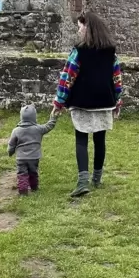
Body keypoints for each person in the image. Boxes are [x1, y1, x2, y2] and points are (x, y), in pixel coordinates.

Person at [52, 11, 123, 197]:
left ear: (87, 27)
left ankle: (83, 181)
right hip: (104, 101)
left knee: (81, 140)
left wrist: (59, 101)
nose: (79, 31)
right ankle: (97, 179)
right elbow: (117, 78)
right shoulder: (110, 52)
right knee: (100, 141)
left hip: (82, 101)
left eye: (80, 27)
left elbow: (67, 77)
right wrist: (118, 100)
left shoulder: (79, 52)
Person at [7, 104, 58, 196]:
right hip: (34, 157)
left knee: (22, 174)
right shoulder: (38, 129)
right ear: (34, 117)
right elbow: (49, 126)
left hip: (21, 158)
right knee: (33, 173)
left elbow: (11, 144)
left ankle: (23, 191)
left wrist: (10, 152)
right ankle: (34, 187)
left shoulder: (16, 130)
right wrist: (53, 116)